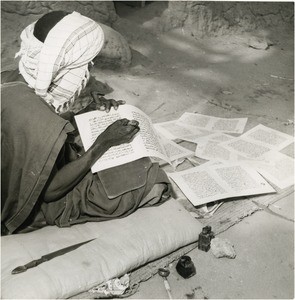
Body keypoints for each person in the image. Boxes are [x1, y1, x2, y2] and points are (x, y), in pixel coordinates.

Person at [1, 11, 171, 235]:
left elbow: (27, 135)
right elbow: (51, 191)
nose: (89, 71)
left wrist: (84, 113)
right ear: (63, 65)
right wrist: (102, 143)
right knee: (153, 180)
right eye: (85, 64)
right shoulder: (35, 117)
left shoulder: (8, 78)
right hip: (31, 203)